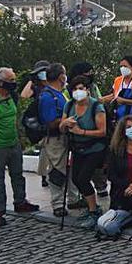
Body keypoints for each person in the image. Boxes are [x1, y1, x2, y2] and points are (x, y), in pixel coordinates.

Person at [0, 67, 39, 225]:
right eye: (10, 80)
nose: (14, 83)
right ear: (0, 83)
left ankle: (20, 202)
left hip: (13, 144)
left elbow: (24, 97)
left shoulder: (12, 96)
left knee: (18, 175)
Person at [60, 74, 108, 228]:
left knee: (83, 178)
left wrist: (81, 132)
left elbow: (102, 131)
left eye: (81, 88)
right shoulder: (69, 105)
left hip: (95, 148)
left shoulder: (96, 107)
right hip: (77, 148)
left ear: (87, 90)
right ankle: (91, 206)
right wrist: (65, 123)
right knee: (76, 178)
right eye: (74, 89)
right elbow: (61, 127)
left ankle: (94, 210)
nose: (77, 92)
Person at [37, 62, 79, 216]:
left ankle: (73, 199)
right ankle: (57, 204)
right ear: (61, 77)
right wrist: (65, 121)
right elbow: (49, 121)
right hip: (55, 139)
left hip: (65, 137)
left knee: (69, 169)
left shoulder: (59, 93)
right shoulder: (48, 96)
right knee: (57, 170)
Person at [105, 56, 132, 127]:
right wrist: (101, 99)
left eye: (125, 66)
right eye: (121, 66)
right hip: (119, 117)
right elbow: (114, 95)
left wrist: (125, 101)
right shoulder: (117, 80)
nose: (122, 68)